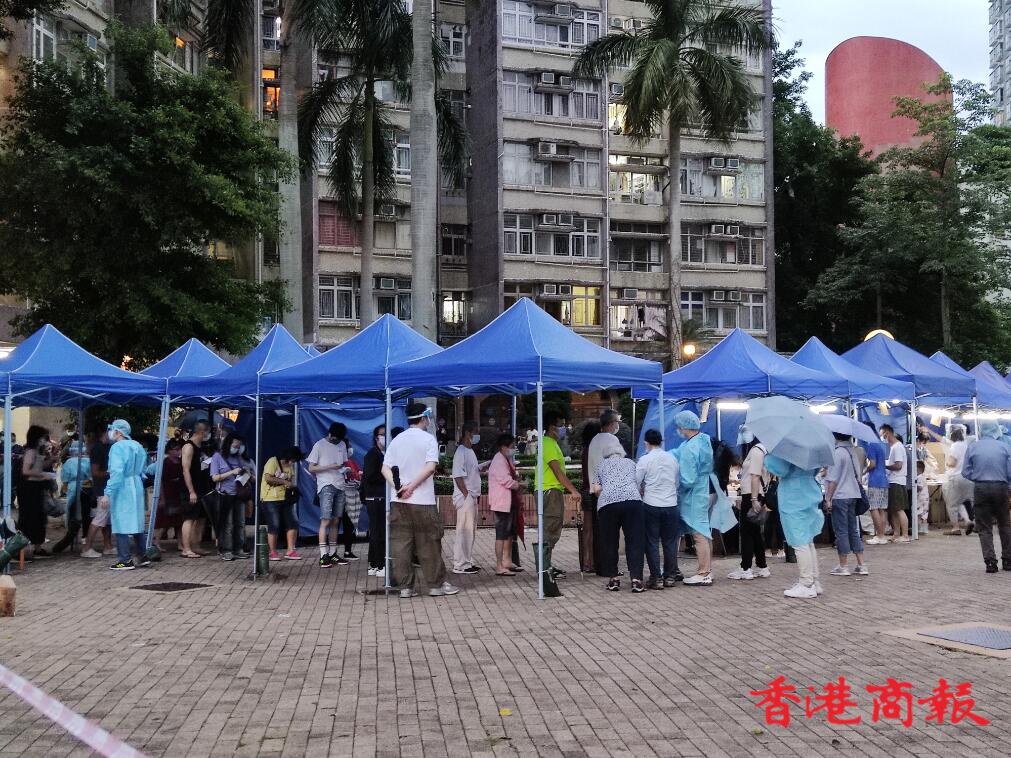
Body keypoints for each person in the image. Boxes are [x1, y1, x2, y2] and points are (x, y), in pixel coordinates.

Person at [383, 402, 459, 598]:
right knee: (429, 543)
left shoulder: (397, 440)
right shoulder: (428, 439)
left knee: (401, 544)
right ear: (424, 418)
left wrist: (399, 488)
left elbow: (385, 468)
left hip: (398, 501)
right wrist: (412, 487)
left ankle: (406, 588)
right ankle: (435, 585)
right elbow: (430, 467)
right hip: (423, 501)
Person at [764, 454, 825, 599]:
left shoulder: (790, 450)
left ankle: (806, 583)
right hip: (809, 493)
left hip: (794, 497)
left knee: (799, 542)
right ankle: (813, 581)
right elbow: (817, 469)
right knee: (808, 541)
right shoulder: (811, 448)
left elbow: (779, 469)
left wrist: (768, 457)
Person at [592, 436, 646, 593]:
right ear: (621, 452)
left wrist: (606, 495)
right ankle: (636, 580)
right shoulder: (631, 463)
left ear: (605, 454)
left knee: (609, 542)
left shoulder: (600, 465)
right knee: (635, 541)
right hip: (632, 502)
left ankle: (614, 579)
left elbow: (596, 489)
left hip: (608, 504)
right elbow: (639, 484)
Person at [537, 411, 580, 595]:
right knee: (549, 529)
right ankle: (543, 569)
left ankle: (546, 565)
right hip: (549, 490)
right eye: (560, 425)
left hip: (552, 490)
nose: (563, 429)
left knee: (552, 530)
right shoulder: (547, 443)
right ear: (551, 428)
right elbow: (557, 471)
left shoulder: (552, 443)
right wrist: (573, 490)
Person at [961, 419, 1011, 573]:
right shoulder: (1005, 447)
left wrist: (977, 476)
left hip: (981, 488)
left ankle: (990, 563)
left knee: (984, 526)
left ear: (981, 430)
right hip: (1001, 487)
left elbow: (965, 471)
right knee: (1005, 525)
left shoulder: (973, 447)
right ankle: (1008, 561)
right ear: (996, 430)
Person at [671, 411, 714, 586]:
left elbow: (688, 479)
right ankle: (707, 570)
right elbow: (677, 453)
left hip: (695, 494)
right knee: (704, 531)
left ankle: (703, 573)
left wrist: (676, 485)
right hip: (703, 490)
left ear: (683, 427)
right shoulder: (702, 440)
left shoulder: (690, 448)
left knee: (699, 533)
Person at [636, 428, 680, 589]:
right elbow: (677, 482)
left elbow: (636, 481)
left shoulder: (644, 460)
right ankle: (670, 576)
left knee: (652, 542)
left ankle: (656, 577)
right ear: (661, 442)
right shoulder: (672, 458)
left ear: (646, 443)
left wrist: (642, 490)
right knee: (670, 542)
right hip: (671, 504)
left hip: (651, 504)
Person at [103, 420, 149, 571]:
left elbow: (116, 472)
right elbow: (143, 468)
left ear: (118, 432)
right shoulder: (137, 446)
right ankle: (142, 555)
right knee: (137, 521)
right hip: (136, 484)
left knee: (121, 522)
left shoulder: (117, 448)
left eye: (112, 430)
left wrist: (108, 492)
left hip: (123, 487)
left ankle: (125, 559)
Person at [307, 422, 353, 568]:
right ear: (330, 434)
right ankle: (323, 555)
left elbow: (343, 463)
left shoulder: (342, 445)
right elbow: (311, 468)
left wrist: (344, 470)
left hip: (340, 484)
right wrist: (330, 467)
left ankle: (333, 553)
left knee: (336, 521)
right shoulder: (319, 445)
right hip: (326, 485)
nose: (337, 441)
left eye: (339, 439)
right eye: (335, 438)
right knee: (325, 520)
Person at [823, 432, 868, 577]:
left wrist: (828, 498)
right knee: (853, 530)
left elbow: (833, 480)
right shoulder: (853, 451)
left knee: (841, 531)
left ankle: (843, 566)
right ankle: (861, 564)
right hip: (853, 494)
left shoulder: (838, 453)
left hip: (840, 495)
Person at [730, 427, 770, 581]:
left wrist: (753, 499)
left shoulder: (757, 450)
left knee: (747, 532)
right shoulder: (760, 449)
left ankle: (746, 568)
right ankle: (761, 566)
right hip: (755, 494)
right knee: (755, 532)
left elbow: (755, 476)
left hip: (752, 494)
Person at [211, 433, 253, 561]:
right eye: (235, 445)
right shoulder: (217, 457)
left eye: (239, 446)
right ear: (229, 444)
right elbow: (215, 478)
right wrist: (232, 472)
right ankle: (227, 550)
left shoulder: (239, 457)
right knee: (227, 524)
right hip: (225, 495)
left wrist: (246, 473)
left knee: (240, 523)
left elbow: (245, 474)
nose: (237, 448)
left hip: (239, 494)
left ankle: (239, 549)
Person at [18, 425, 57, 559]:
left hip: (37, 487)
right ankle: (23, 549)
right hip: (29, 489)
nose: (44, 440)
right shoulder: (30, 452)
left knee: (40, 518)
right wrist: (42, 475)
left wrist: (50, 460)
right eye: (42, 437)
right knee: (29, 517)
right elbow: (26, 471)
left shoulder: (38, 451)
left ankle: (38, 547)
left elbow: (39, 466)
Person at [452, 420, 484, 575]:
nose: (477, 436)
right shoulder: (461, 452)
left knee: (470, 532)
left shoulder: (469, 451)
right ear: (468, 433)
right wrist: (466, 495)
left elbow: (470, 471)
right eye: (475, 432)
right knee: (464, 531)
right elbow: (458, 475)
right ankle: (460, 564)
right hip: (466, 497)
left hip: (471, 495)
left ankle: (467, 560)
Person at [488, 433, 523, 576]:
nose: (513, 449)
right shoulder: (499, 461)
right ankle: (499, 565)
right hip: (501, 502)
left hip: (508, 502)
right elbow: (505, 480)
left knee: (509, 532)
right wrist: (519, 484)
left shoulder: (505, 459)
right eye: (512, 446)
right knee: (501, 534)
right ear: (503, 447)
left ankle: (507, 560)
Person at [180, 421, 214, 558]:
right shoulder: (188, 446)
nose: (209, 435)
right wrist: (191, 491)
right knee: (189, 518)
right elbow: (185, 470)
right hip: (191, 488)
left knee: (201, 518)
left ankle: (196, 545)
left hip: (202, 487)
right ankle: (186, 548)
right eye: (208, 432)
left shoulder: (201, 447)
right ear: (202, 432)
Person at [55, 440, 91, 554]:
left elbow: (64, 479)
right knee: (86, 514)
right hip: (86, 488)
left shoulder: (69, 462)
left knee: (72, 513)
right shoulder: (88, 461)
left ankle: (71, 534)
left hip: (72, 488)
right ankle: (85, 537)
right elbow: (91, 476)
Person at [362, 424, 387, 577]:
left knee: (377, 531)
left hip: (380, 497)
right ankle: (379, 564)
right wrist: (386, 476)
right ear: (376, 437)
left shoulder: (384, 453)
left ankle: (373, 563)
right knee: (378, 531)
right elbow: (370, 476)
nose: (385, 437)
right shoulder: (373, 454)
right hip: (375, 497)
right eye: (382, 435)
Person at [942, 427, 974, 536]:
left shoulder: (955, 446)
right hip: (968, 478)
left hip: (956, 477)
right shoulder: (966, 445)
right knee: (959, 502)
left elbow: (952, 463)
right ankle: (968, 521)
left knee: (951, 504)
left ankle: (955, 528)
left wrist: (947, 463)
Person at [881, 424, 910, 543]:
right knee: (893, 510)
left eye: (882, 435)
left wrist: (885, 466)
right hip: (894, 481)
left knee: (899, 510)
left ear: (887, 433)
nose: (882, 438)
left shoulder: (897, 447)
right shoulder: (895, 447)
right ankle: (896, 534)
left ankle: (905, 535)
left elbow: (898, 465)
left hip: (896, 481)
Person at [579, 421, 601, 574]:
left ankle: (587, 561)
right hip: (595, 491)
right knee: (595, 528)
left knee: (587, 529)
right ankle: (592, 561)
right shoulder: (595, 451)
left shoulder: (585, 450)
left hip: (586, 490)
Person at [863, 427, 890, 545]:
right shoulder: (881, 444)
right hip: (884, 480)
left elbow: (873, 464)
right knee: (882, 509)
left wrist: (864, 470)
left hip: (875, 480)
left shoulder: (872, 445)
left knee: (874, 508)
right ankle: (882, 535)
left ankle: (879, 535)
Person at [587, 409, 622, 483]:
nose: (618, 425)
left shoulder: (595, 439)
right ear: (612, 423)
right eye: (617, 422)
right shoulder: (612, 439)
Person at [915, 461, 930, 534]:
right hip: (925, 498)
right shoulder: (922, 477)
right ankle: (924, 528)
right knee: (924, 514)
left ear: (918, 469)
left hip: (921, 499)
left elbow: (920, 487)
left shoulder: (919, 477)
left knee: (919, 513)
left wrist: (914, 487)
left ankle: (921, 528)